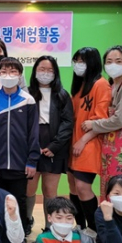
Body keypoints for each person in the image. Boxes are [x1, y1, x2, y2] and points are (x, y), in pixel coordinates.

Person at [0, 57, 40, 236]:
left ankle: (19, 240)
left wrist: (32, 160)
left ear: (20, 75)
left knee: (18, 202)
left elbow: (33, 133)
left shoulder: (28, 100)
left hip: (19, 164)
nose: (8, 75)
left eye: (13, 71)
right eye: (4, 72)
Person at [81, 46, 122, 196]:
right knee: (108, 191)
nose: (113, 65)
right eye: (109, 62)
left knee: (118, 193)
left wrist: (93, 124)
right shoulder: (112, 85)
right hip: (111, 148)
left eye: (118, 61)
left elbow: (120, 120)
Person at [26, 56, 74, 229]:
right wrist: (32, 146)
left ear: (55, 73)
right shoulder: (26, 93)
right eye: (42, 69)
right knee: (29, 189)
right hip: (31, 143)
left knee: (49, 190)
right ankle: (26, 222)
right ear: (35, 71)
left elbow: (67, 123)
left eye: (49, 70)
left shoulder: (62, 95)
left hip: (55, 145)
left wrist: (55, 146)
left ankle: (49, 227)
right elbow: (21, 122)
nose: (45, 73)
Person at [68, 47, 112, 231]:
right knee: (73, 186)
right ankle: (79, 227)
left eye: (82, 61)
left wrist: (83, 140)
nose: (78, 65)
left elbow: (100, 120)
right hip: (73, 142)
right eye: (76, 61)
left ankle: (94, 229)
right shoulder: (80, 85)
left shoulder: (101, 84)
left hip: (88, 143)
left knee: (82, 186)